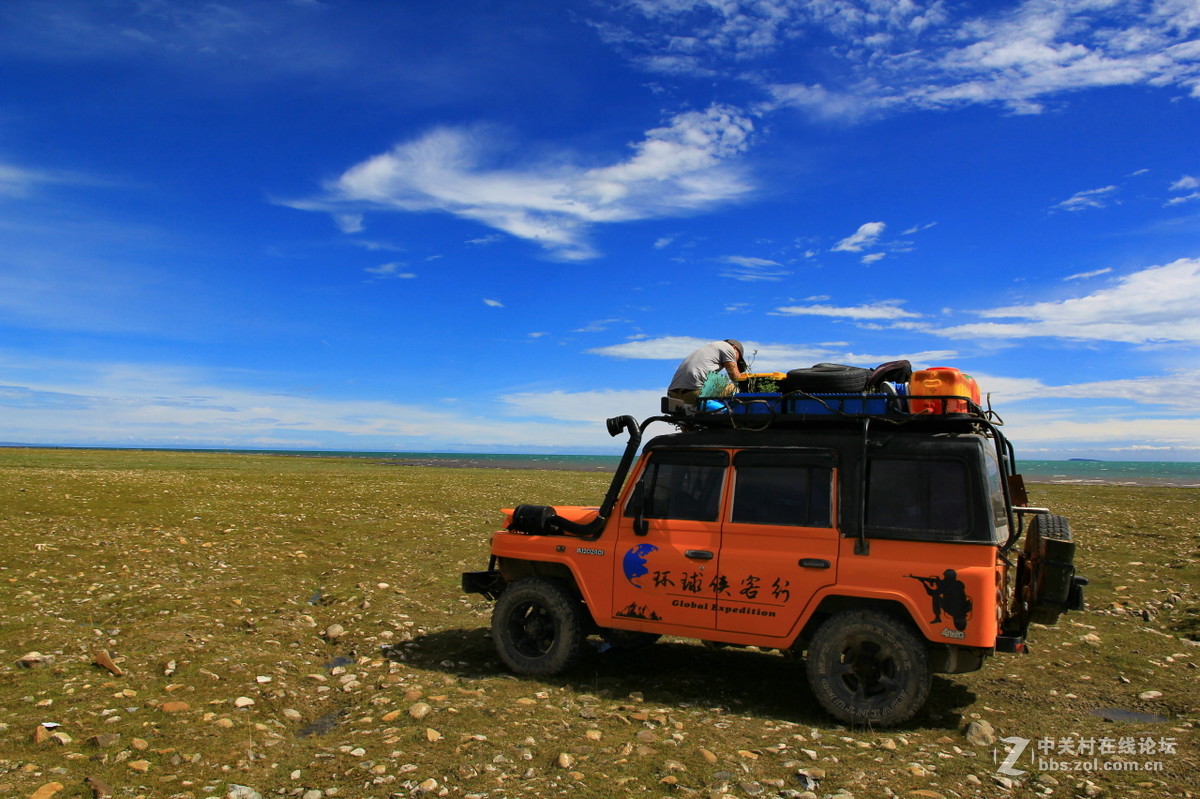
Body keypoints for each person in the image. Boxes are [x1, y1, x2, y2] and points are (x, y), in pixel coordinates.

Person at [667, 339, 749, 406]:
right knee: (733, 388)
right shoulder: (728, 347)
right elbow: (735, 377)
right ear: (735, 348)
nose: (736, 362)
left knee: (717, 382)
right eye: (738, 359)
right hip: (693, 393)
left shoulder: (708, 348)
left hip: (673, 395)